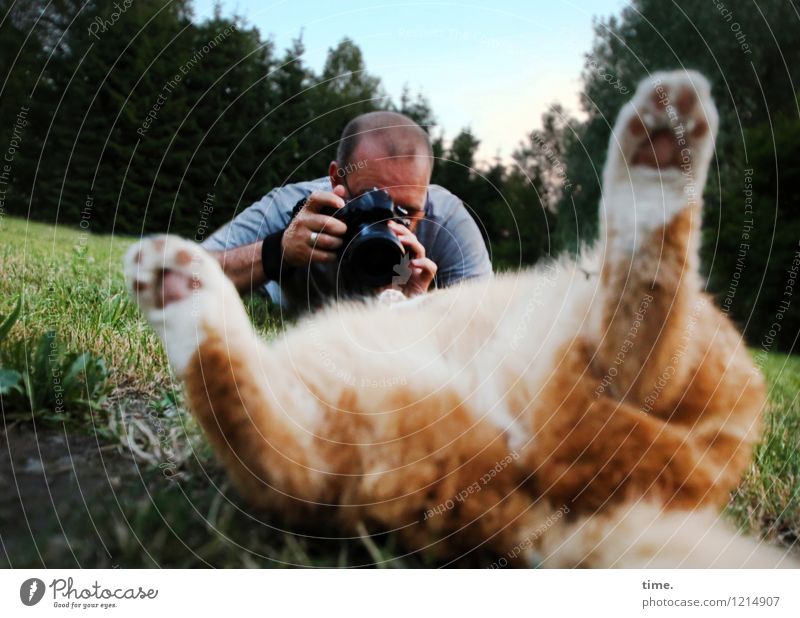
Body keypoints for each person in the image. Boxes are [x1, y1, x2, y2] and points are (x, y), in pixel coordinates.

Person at [203, 111, 492, 310]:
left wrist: (416, 308)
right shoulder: (297, 209)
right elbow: (181, 278)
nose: (390, 224)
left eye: (406, 212)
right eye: (372, 203)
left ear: (425, 193)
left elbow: (487, 328)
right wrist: (278, 251)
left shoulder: (446, 219)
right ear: (336, 179)